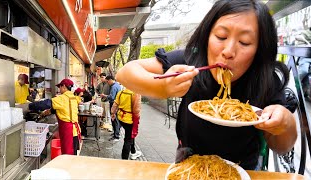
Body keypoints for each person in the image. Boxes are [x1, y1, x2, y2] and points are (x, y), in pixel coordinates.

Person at [116, 0, 297, 170]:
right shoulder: (191, 61)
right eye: (221, 36)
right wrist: (162, 88)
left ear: (259, 49)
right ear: (207, 35)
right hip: (189, 165)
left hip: (244, 169)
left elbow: (282, 146)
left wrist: (285, 124)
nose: (228, 51)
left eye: (244, 42)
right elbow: (125, 73)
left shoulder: (265, 80)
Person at [51, 79, 81, 155]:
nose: (59, 89)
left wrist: (31, 105)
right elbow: (65, 108)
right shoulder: (73, 97)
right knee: (73, 154)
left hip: (68, 131)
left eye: (60, 87)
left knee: (68, 155)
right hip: (75, 131)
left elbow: (47, 103)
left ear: (64, 86)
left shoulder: (63, 98)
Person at [111, 88, 142, 160]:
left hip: (121, 117)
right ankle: (124, 159)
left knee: (131, 135)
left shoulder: (121, 92)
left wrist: (113, 113)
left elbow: (115, 104)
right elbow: (136, 110)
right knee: (128, 139)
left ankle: (133, 152)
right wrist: (137, 118)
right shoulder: (136, 94)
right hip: (129, 120)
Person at [100, 75, 122, 141]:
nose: (107, 83)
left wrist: (104, 95)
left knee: (114, 119)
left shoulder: (114, 87)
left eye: (107, 81)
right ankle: (116, 133)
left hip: (114, 104)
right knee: (115, 119)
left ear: (110, 80)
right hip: (116, 104)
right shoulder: (117, 85)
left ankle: (116, 136)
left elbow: (112, 97)